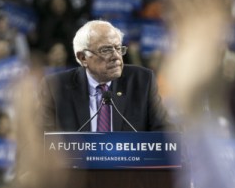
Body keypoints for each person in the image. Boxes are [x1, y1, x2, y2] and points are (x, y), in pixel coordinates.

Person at [40, 20, 169, 132]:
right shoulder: (56, 87)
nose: (116, 57)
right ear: (83, 57)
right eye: (106, 50)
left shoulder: (141, 81)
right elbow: (38, 140)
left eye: (118, 48)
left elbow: (166, 133)